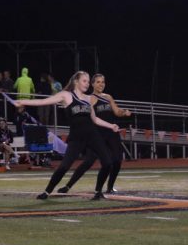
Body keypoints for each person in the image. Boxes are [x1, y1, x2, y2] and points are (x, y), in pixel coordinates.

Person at [16, 71, 119, 200]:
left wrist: (111, 126)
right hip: (76, 138)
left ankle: (98, 192)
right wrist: (24, 102)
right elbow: (44, 102)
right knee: (64, 166)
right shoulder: (67, 96)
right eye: (84, 81)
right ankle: (47, 192)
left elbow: (95, 120)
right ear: (76, 81)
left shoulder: (89, 99)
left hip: (93, 135)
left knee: (108, 163)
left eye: (88, 81)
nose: (87, 84)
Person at [57, 74, 132, 194]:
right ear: (92, 84)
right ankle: (68, 186)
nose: (101, 84)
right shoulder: (89, 98)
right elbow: (90, 116)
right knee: (88, 162)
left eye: (103, 82)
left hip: (111, 133)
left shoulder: (108, 97)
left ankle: (109, 187)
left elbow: (116, 111)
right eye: (98, 82)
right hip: (98, 134)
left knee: (117, 160)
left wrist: (124, 112)